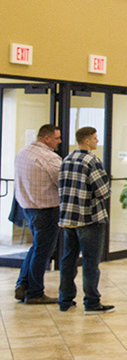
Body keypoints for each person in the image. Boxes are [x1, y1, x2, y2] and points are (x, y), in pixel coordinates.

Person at [57, 126, 114, 314]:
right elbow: (103, 191)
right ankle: (92, 302)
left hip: (68, 217)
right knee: (90, 262)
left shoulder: (66, 159)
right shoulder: (92, 161)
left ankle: (65, 299)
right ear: (87, 141)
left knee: (68, 259)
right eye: (96, 138)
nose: (98, 141)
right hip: (89, 218)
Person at [13, 124, 62, 304]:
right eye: (57, 138)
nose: (60, 141)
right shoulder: (49, 158)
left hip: (28, 208)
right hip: (46, 209)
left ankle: (23, 283)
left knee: (36, 247)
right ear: (46, 138)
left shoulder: (22, 153)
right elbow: (62, 182)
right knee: (43, 251)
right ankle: (35, 292)